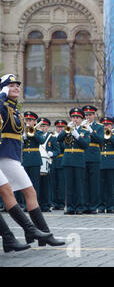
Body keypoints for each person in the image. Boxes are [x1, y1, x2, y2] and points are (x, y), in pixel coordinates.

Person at [0, 74, 64, 247]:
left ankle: (39, 233)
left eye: (17, 85)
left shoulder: (14, 109)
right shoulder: (3, 106)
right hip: (4, 155)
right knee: (12, 192)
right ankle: (32, 233)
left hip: (12, 155)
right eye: (11, 85)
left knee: (29, 192)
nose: (16, 88)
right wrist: (1, 95)